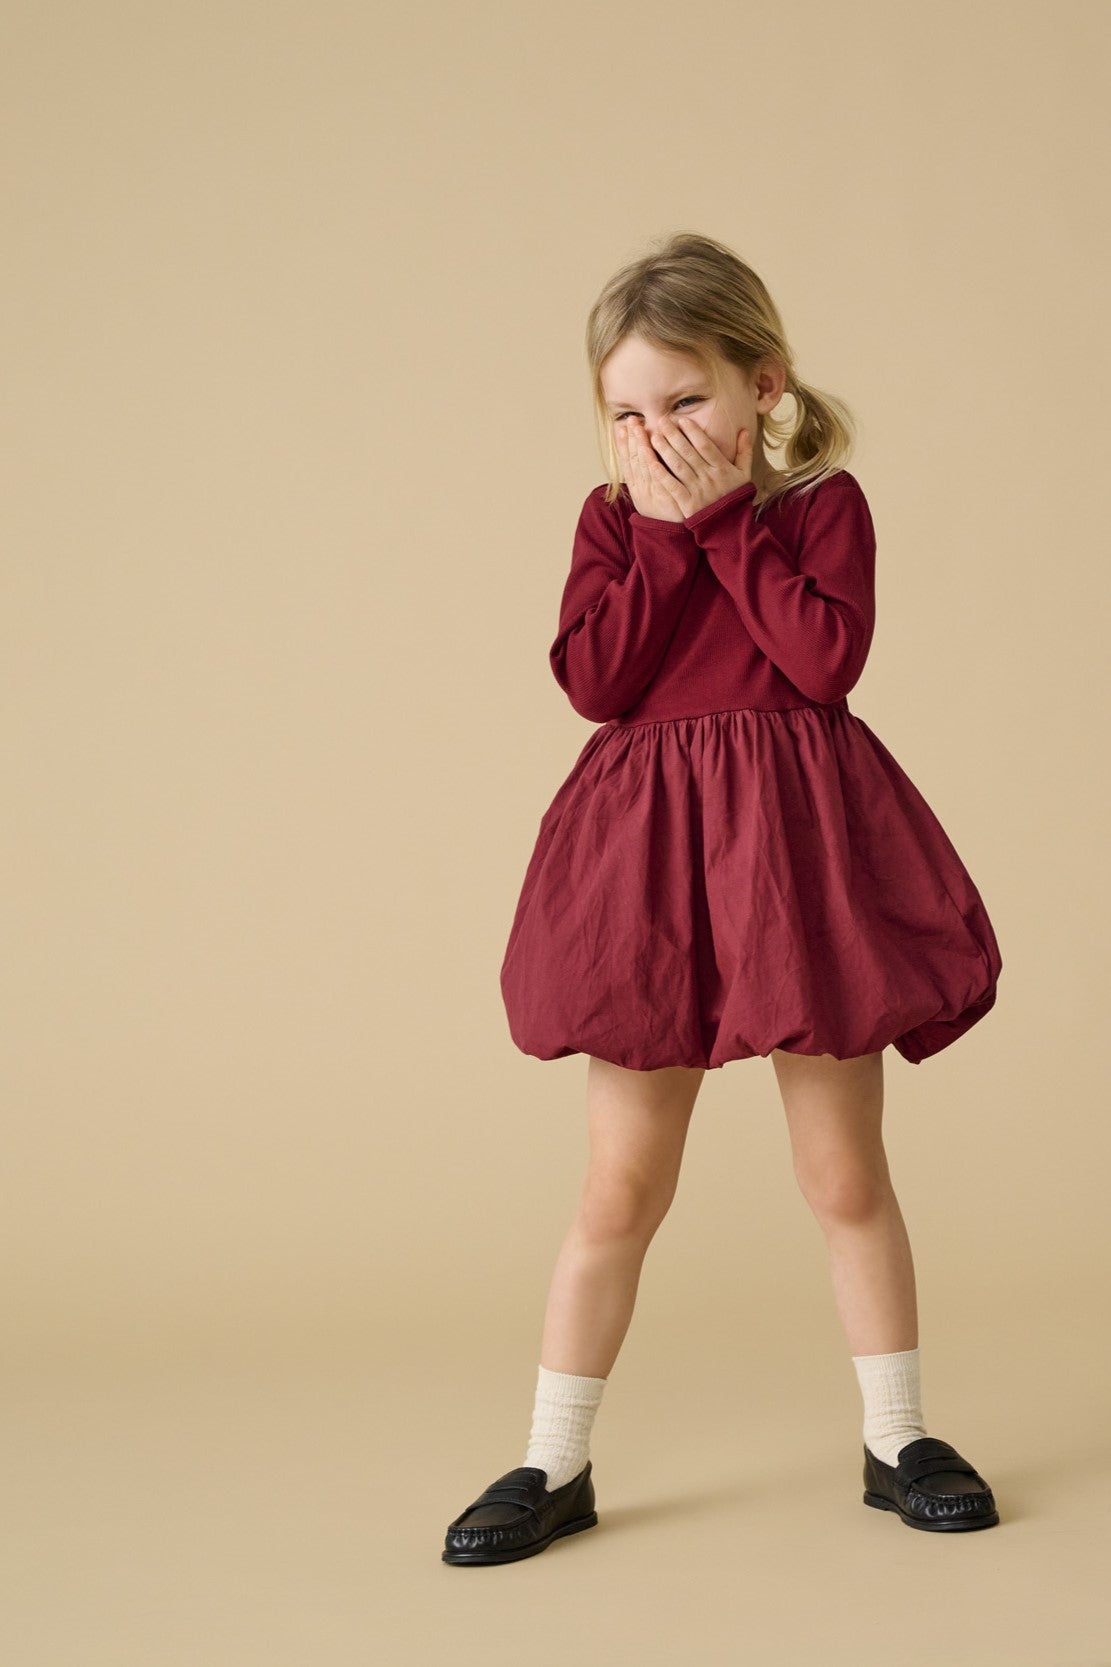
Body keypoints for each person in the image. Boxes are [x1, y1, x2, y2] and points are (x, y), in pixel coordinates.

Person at [442, 231, 1002, 1566]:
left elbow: (822, 662)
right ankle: (552, 1459)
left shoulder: (820, 509)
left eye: (686, 401)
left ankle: (898, 1436)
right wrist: (658, 535)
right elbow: (599, 682)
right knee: (621, 1184)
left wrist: (724, 526)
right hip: (652, 861)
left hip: (799, 855)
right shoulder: (608, 524)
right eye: (628, 414)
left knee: (843, 1169)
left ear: (766, 383)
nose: (658, 436)